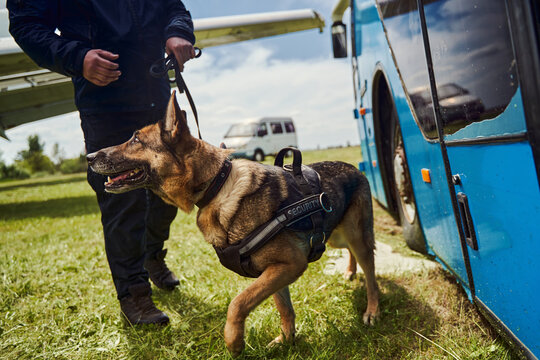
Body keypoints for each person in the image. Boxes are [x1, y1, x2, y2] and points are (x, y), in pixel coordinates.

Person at [7, 0, 196, 325]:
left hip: (155, 93)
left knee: (172, 192)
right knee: (124, 205)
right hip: (107, 103)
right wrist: (77, 58)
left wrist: (178, 31)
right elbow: (26, 24)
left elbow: (173, 8)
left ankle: (152, 256)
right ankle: (134, 295)